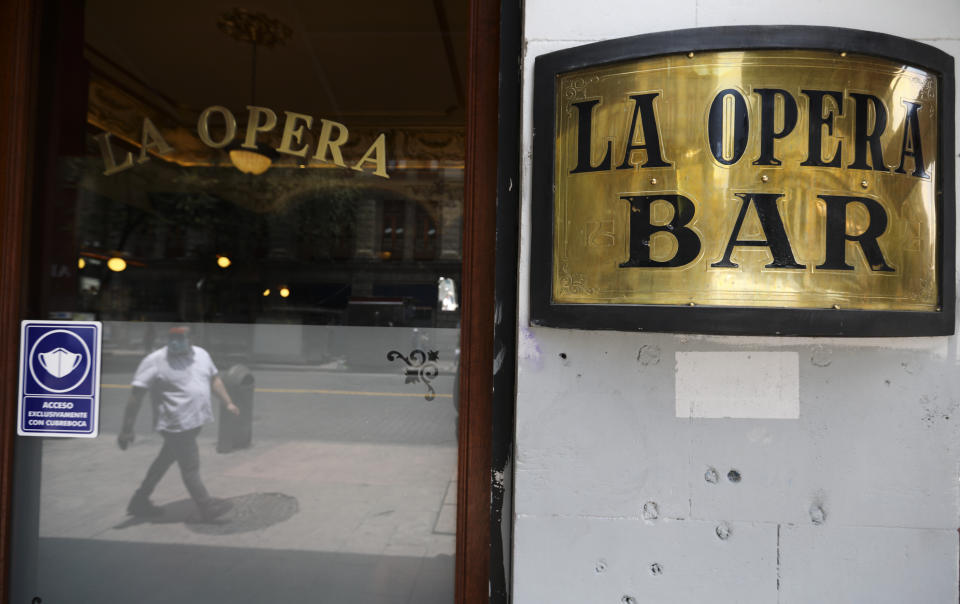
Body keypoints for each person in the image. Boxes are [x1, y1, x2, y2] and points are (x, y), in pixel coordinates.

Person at [118, 326, 239, 521]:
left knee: (163, 461)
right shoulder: (155, 361)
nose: (174, 342)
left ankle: (139, 501)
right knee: (190, 467)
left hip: (195, 422)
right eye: (171, 338)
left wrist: (228, 402)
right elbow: (136, 396)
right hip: (175, 425)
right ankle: (206, 507)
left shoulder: (202, 355)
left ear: (192, 339)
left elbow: (214, 379)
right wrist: (126, 429)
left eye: (180, 338)